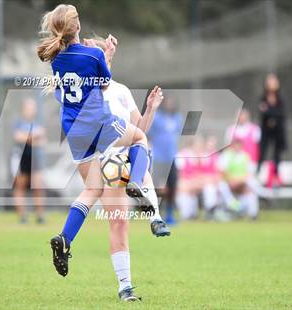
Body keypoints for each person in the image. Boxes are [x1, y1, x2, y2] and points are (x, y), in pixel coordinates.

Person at [37, 5, 163, 278]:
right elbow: (105, 84)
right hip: (100, 125)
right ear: (77, 26)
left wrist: (100, 57)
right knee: (140, 137)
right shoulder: (92, 54)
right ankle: (138, 183)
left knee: (92, 190)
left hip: (75, 133)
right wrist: (104, 55)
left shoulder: (56, 58)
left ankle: (65, 238)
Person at [82, 36, 170, 301]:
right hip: (105, 160)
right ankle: (125, 287)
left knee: (142, 153)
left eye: (101, 55)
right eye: (96, 56)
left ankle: (154, 217)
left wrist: (150, 109)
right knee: (119, 223)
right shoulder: (88, 90)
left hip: (127, 154)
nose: (100, 59)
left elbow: (139, 130)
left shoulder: (121, 90)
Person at [148, 97, 183, 225]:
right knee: (156, 187)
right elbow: (148, 134)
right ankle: (155, 214)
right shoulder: (157, 117)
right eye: (167, 102)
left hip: (171, 157)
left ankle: (169, 214)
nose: (170, 105)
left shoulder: (177, 118)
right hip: (158, 157)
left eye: (172, 103)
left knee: (172, 185)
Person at [11, 98, 46, 224]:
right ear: (23, 110)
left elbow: (42, 141)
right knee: (20, 186)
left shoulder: (38, 124)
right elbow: (19, 138)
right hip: (21, 158)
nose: (31, 111)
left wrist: (28, 137)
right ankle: (23, 217)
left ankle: (40, 216)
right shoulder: (18, 123)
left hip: (34, 158)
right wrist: (33, 136)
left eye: (33, 108)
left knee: (38, 186)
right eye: (28, 108)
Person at [258, 73, 288, 188]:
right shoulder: (263, 97)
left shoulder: (280, 99)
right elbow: (263, 113)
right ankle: (258, 173)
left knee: (277, 155)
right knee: (263, 152)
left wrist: (269, 112)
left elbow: (281, 114)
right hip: (266, 131)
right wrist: (271, 113)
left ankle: (275, 177)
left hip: (278, 132)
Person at [218, 138, 259, 219]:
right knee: (221, 186)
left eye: (239, 146)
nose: (237, 148)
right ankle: (232, 205)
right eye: (235, 146)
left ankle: (253, 214)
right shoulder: (226, 155)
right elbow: (222, 172)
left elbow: (250, 173)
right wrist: (231, 180)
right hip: (229, 182)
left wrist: (239, 181)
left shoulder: (245, 156)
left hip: (241, 182)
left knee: (251, 187)